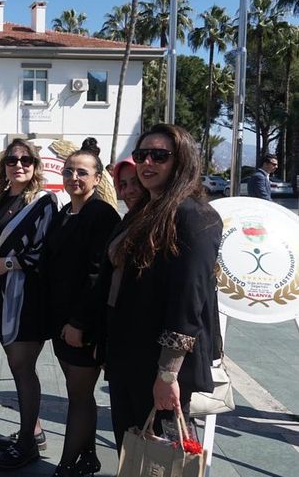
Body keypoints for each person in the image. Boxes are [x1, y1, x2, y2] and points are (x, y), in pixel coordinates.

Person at [101, 124, 222, 452]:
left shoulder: (194, 216)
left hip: (161, 364)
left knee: (165, 457)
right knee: (133, 451)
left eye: (160, 156)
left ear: (181, 161)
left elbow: (188, 301)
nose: (147, 163)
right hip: (129, 354)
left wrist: (167, 374)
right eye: (141, 155)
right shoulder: (146, 212)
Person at [40, 140, 119, 476]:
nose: (74, 177)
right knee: (77, 392)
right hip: (61, 322)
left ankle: (66, 465)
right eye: (69, 170)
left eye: (82, 172)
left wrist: (78, 323)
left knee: (80, 397)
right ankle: (88, 458)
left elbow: (97, 275)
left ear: (97, 179)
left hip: (83, 325)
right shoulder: (64, 213)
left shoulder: (101, 215)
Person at [0, 139, 57, 471]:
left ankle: (28, 446)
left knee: (23, 368)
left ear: (36, 165)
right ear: (5, 165)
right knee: (16, 366)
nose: (19, 165)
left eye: (26, 160)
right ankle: (33, 430)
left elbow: (48, 250)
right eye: (12, 160)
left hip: (28, 298)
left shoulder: (44, 201)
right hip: (0, 294)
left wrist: (10, 265)